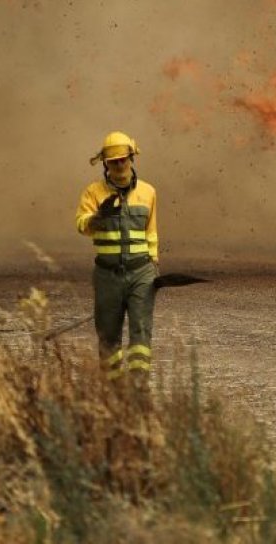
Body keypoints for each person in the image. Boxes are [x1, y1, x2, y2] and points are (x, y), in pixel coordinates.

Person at [75, 131, 160, 386]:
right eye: (114, 161)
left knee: (141, 331)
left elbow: (151, 231)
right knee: (108, 334)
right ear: (105, 164)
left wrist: (154, 264)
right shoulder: (93, 193)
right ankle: (113, 391)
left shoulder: (148, 192)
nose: (120, 165)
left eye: (124, 159)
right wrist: (98, 217)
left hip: (141, 272)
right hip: (107, 275)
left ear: (132, 158)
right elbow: (81, 226)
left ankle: (138, 387)